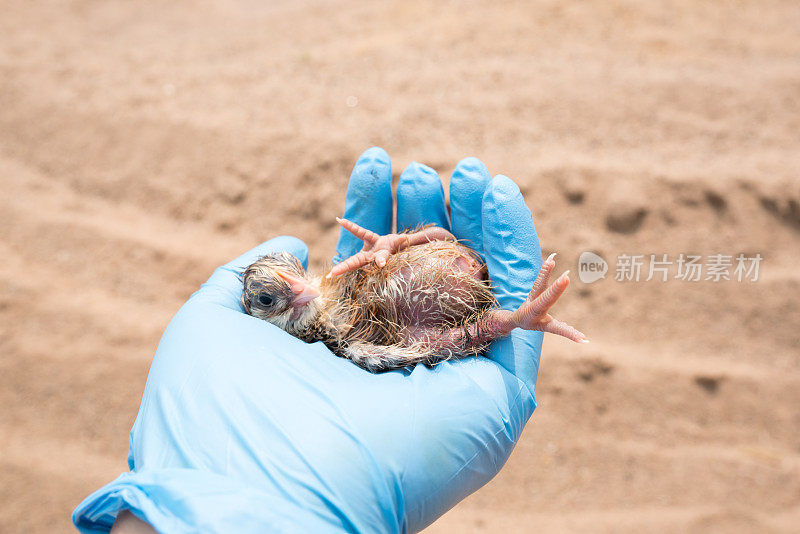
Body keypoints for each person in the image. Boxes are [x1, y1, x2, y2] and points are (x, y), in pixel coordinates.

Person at [73, 148, 547, 533]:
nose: (301, 289)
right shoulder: (347, 343)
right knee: (393, 346)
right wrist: (502, 324)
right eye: (276, 300)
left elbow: (393, 264)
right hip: (438, 313)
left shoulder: (334, 289)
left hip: (439, 278)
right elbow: (408, 348)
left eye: (293, 278)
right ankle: (511, 318)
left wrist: (390, 245)